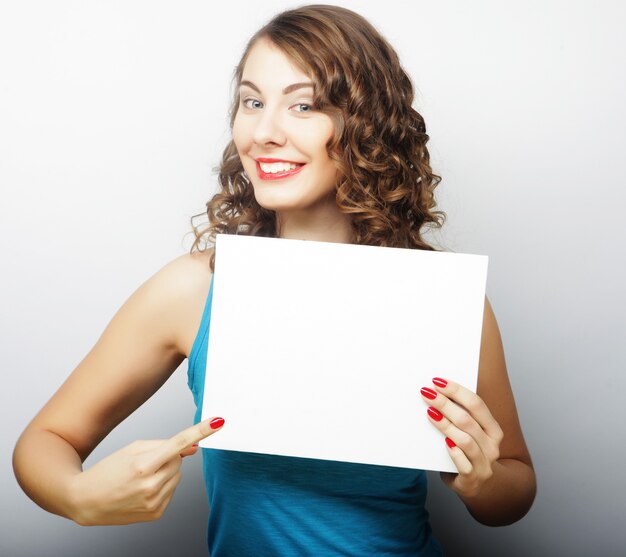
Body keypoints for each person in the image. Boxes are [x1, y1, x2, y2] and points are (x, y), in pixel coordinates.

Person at [13, 4, 536, 555]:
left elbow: (515, 488)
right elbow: (44, 442)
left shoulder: (442, 303)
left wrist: (482, 481)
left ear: (366, 123)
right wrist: (77, 495)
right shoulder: (194, 291)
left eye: (303, 105)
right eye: (252, 102)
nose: (264, 132)